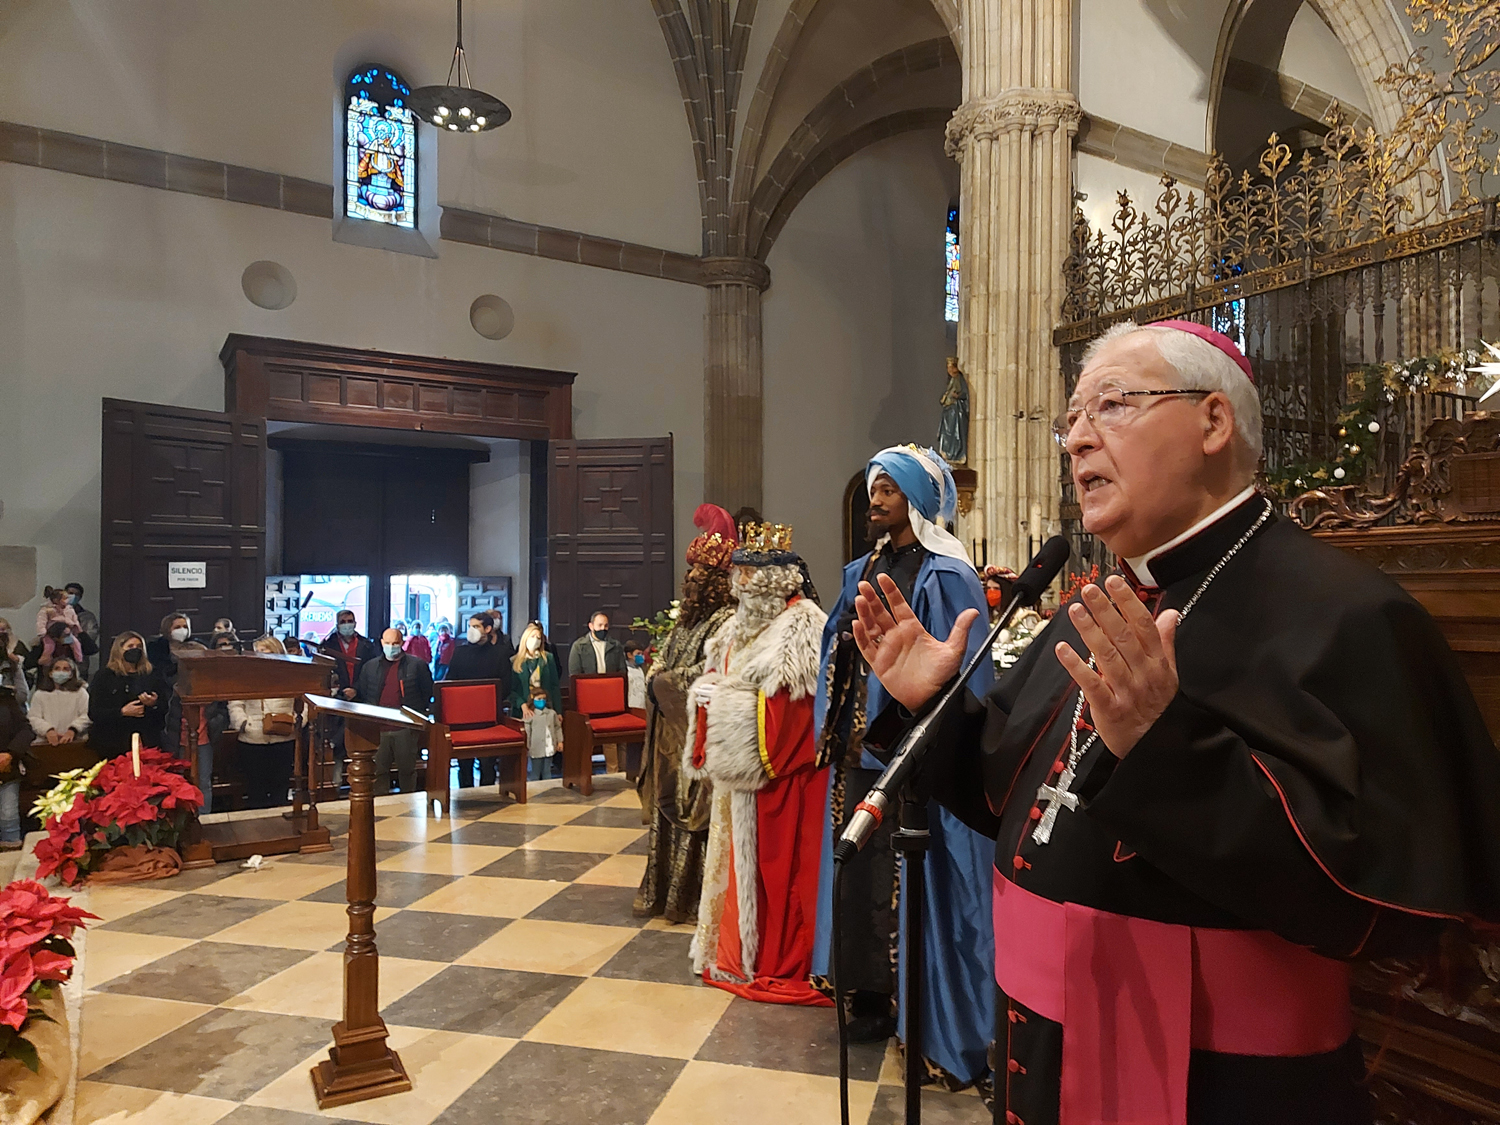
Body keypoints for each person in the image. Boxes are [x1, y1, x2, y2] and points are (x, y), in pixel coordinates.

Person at [854, 320, 1500, 1125]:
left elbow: (1377, 905)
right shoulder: (1101, 602)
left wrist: (1163, 750)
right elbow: (1010, 801)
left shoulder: (1351, 615)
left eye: (1111, 405)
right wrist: (935, 711)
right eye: (1071, 419)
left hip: (1223, 1085)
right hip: (1040, 1050)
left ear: (1213, 422)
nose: (1077, 439)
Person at [811, 445, 997, 1088]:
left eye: (889, 489)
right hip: (858, 753)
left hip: (912, 759)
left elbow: (967, 673)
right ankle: (864, 997)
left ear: (918, 499)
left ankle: (919, 1014)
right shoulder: (859, 569)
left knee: (912, 884)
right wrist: (834, 727)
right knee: (859, 878)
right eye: (873, 488)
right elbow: (835, 651)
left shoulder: (946, 573)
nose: (876, 499)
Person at [684, 522, 830, 1005]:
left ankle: (777, 958)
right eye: (738, 574)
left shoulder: (803, 624)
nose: (739, 583)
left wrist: (721, 705)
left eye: (749, 574)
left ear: (776, 579)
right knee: (732, 867)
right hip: (737, 780)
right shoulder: (735, 624)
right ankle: (732, 955)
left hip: (784, 779)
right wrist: (704, 695)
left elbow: (795, 712)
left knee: (780, 873)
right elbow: (717, 676)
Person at [634, 504, 738, 924]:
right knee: (666, 814)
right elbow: (664, 663)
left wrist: (666, 680)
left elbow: (712, 673)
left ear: (717, 583)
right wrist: (659, 674)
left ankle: (691, 898)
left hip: (701, 739)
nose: (690, 581)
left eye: (699, 576)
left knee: (697, 820)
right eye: (689, 575)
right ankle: (662, 892)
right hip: (669, 737)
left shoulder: (728, 620)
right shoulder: (685, 623)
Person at [356, 627, 433, 796]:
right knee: (379, 771)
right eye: (388, 643)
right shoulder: (370, 667)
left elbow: (427, 692)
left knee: (407, 771)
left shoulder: (417, 665)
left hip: (405, 727)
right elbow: (363, 693)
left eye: (395, 643)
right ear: (382, 643)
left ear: (402, 643)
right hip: (378, 728)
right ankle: (383, 807)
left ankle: (408, 805)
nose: (392, 647)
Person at [228, 636, 297, 809]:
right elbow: (235, 703)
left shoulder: (292, 675)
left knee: (280, 786)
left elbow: (303, 701)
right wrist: (243, 723)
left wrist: (296, 720)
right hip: (253, 737)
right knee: (255, 788)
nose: (262, 655)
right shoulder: (245, 676)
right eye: (258, 652)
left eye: (266, 651)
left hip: (283, 736)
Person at [447, 612, 511, 789]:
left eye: (476, 627)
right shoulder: (460, 652)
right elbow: (450, 681)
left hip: (488, 718)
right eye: (470, 626)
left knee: (487, 763)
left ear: (488, 629)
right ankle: (465, 796)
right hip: (463, 717)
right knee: (464, 764)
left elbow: (505, 685)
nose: (471, 630)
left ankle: (488, 797)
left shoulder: (499, 654)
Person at [88, 632, 170, 757]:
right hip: (112, 740)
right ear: (119, 650)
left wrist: (153, 703)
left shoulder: (152, 674)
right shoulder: (105, 676)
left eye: (139, 646)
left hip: (146, 737)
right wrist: (122, 711)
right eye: (130, 646)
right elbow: (94, 712)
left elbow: (164, 707)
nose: (135, 650)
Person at [28, 656, 90, 746]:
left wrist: (72, 730)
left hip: (75, 742)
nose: (61, 672)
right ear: (50, 673)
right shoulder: (40, 694)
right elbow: (33, 717)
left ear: (71, 674)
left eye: (66, 669)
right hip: (46, 742)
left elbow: (87, 714)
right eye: (57, 668)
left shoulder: (80, 693)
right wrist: (48, 730)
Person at [522, 681, 563, 781]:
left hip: (549, 747)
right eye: (539, 699)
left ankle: (547, 791)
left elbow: (557, 727)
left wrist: (560, 741)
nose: (542, 701)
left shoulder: (551, 713)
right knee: (535, 772)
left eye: (544, 699)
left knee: (547, 771)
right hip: (535, 748)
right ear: (533, 699)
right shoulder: (530, 715)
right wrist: (526, 746)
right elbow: (527, 732)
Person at [568, 611, 625, 677]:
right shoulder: (579, 646)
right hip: (588, 685)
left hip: (610, 684)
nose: (603, 628)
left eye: (606, 625)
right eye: (600, 625)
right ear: (591, 626)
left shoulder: (616, 645)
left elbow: (622, 671)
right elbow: (575, 673)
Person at [64, 583, 100, 676]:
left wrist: (75, 638)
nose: (73, 596)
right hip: (58, 657)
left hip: (79, 662)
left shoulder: (87, 616)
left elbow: (91, 636)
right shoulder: (55, 612)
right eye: (70, 593)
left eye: (76, 594)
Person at [624, 641, 648, 708]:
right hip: (631, 704)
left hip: (642, 704)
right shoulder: (625, 670)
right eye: (638, 653)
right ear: (629, 655)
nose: (641, 656)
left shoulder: (641, 669)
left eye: (642, 654)